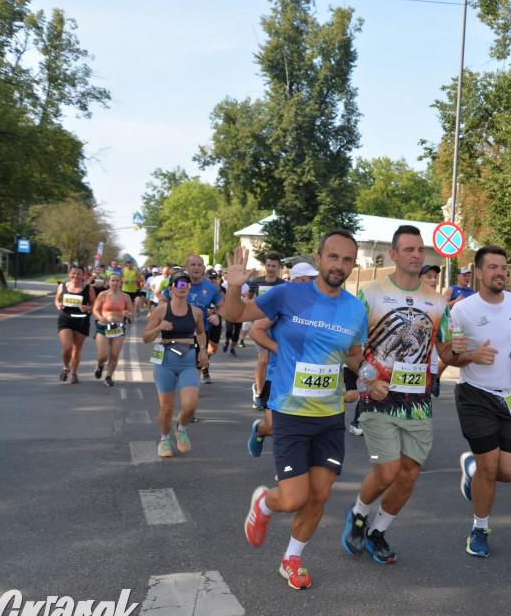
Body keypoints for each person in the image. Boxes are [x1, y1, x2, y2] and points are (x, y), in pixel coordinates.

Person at [225, 231, 369, 590]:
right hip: (290, 413)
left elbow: (353, 354)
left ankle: (292, 558)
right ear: (319, 259)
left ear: (353, 265)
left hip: (330, 416)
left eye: (347, 259)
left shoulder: (355, 309)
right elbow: (238, 313)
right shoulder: (288, 294)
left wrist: (366, 376)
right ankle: (264, 503)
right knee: (293, 498)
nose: (339, 265)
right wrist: (233, 287)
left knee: (319, 495)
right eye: (333, 257)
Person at [341, 226, 458, 564]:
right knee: (388, 472)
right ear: (393, 255)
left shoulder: (437, 302)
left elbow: (447, 353)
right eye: (408, 249)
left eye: (420, 250)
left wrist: (461, 351)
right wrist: (368, 379)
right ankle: (359, 513)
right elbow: (351, 353)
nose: (416, 255)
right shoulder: (371, 295)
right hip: (379, 396)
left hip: (418, 402)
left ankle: (378, 532)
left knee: (408, 473)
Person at [451, 245, 511, 557]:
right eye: (493, 267)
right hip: (475, 395)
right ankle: (479, 527)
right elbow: (450, 355)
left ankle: (472, 468)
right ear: (478, 273)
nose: (500, 272)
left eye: (503, 267)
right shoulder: (462, 310)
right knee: (490, 469)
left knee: (509, 472)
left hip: (509, 396)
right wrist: (471, 355)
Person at [247, 262, 319, 457]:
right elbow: (256, 331)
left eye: (315, 279)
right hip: (278, 373)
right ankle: (260, 429)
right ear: (296, 281)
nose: (314, 283)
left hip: (307, 375)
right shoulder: (284, 301)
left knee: (299, 426)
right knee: (273, 427)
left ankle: (292, 471)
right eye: (309, 279)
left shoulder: (321, 304)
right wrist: (280, 349)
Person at [142, 269, 208, 458]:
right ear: (170, 288)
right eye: (179, 283)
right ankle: (164, 439)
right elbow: (145, 337)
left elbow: (201, 333)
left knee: (190, 406)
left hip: (188, 361)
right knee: (167, 408)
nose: (183, 287)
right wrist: (158, 327)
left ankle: (181, 428)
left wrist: (202, 349)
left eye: (186, 284)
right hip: (165, 361)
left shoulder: (196, 312)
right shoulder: (161, 310)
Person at [160, 255, 223, 384]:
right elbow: (162, 300)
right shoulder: (178, 283)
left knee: (196, 365)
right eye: (193, 265)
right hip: (177, 332)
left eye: (199, 265)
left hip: (201, 332)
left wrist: (218, 315)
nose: (196, 268)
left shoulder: (210, 287)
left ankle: (191, 389)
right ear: (186, 267)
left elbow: (222, 307)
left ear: (203, 268)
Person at [249, 252, 285, 408]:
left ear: (279, 268)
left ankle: (269, 394)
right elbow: (248, 299)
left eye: (274, 266)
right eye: (268, 265)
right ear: (265, 266)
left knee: (273, 362)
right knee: (263, 359)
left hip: (276, 326)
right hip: (260, 326)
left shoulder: (282, 284)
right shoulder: (256, 282)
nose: (271, 269)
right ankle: (259, 392)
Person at [54, 265, 96, 384]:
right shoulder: (62, 286)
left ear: (83, 275)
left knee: (76, 350)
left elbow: (94, 305)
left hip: (81, 320)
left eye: (78, 274)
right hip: (65, 320)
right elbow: (57, 299)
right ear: (69, 274)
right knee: (67, 348)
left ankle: (74, 373)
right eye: (73, 273)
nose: (75, 276)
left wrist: (87, 308)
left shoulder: (88, 288)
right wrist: (58, 305)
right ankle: (66, 367)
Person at [92, 272, 135, 386]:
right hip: (103, 327)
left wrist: (128, 313)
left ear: (121, 282)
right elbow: (95, 309)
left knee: (115, 354)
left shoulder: (125, 296)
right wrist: (101, 317)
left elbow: (132, 313)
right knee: (103, 355)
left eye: (117, 280)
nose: (115, 283)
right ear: (108, 282)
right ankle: (100, 366)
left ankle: (108, 376)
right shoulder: (102, 295)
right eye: (113, 280)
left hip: (118, 328)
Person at [419, 264, 443, 397]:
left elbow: (445, 335)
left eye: (435, 277)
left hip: (430, 368)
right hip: (404, 368)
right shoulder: (407, 301)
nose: (434, 280)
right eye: (429, 277)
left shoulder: (439, 303)